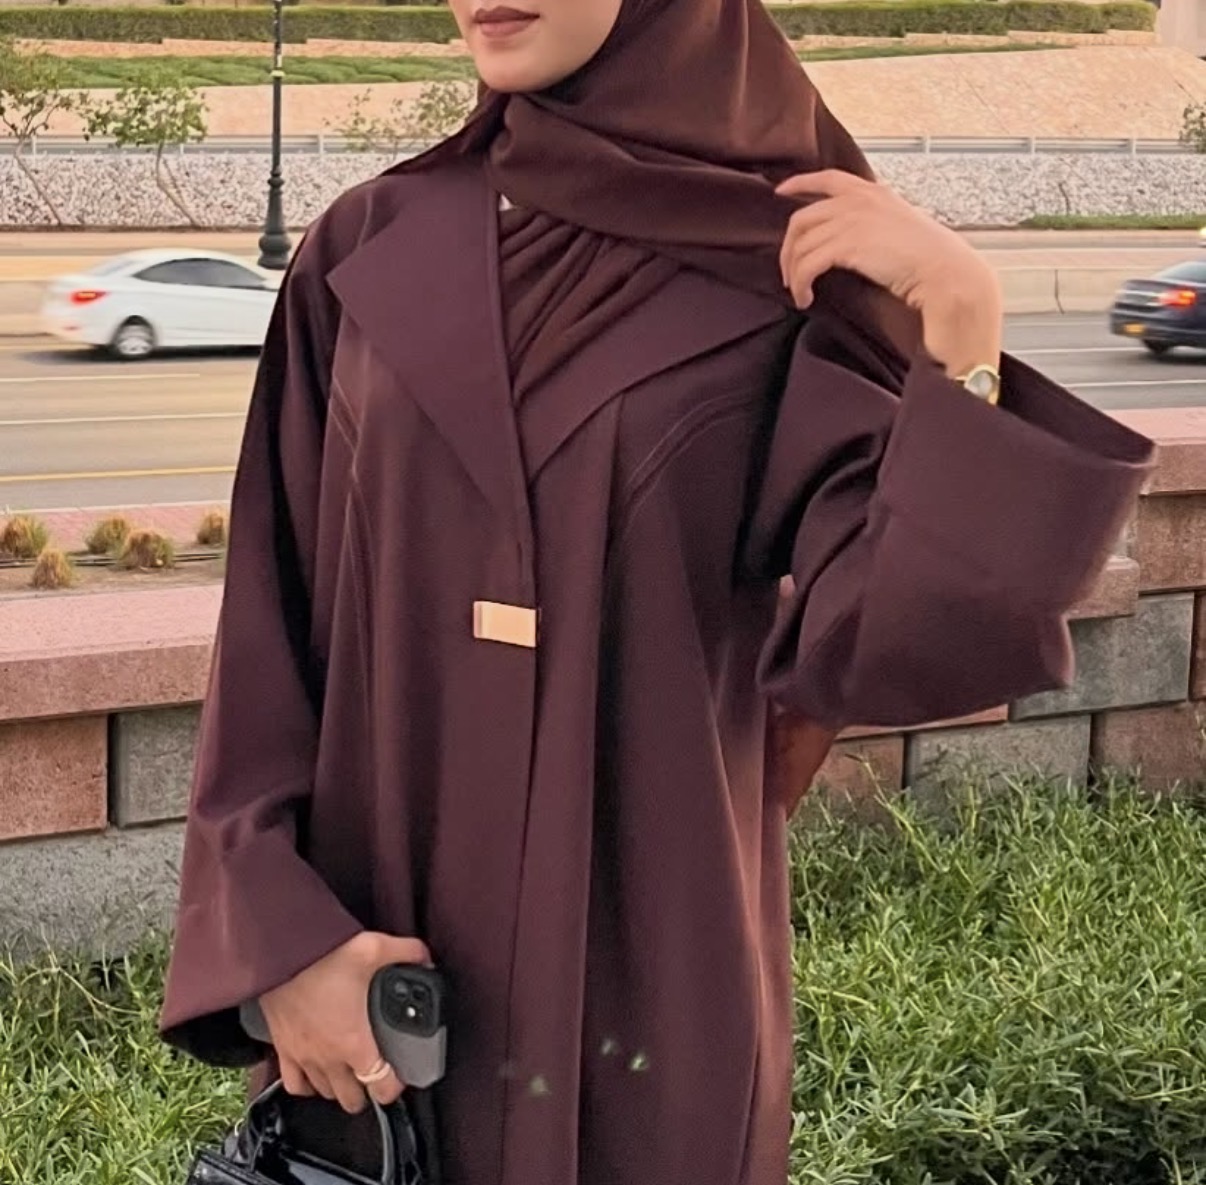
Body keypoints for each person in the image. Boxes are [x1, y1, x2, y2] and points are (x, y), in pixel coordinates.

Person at [159, 0, 1155, 1182]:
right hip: (378, 1003)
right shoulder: (364, 250)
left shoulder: (780, 267)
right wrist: (280, 946)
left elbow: (900, 642)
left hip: (648, 990)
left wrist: (961, 337)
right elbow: (269, 632)